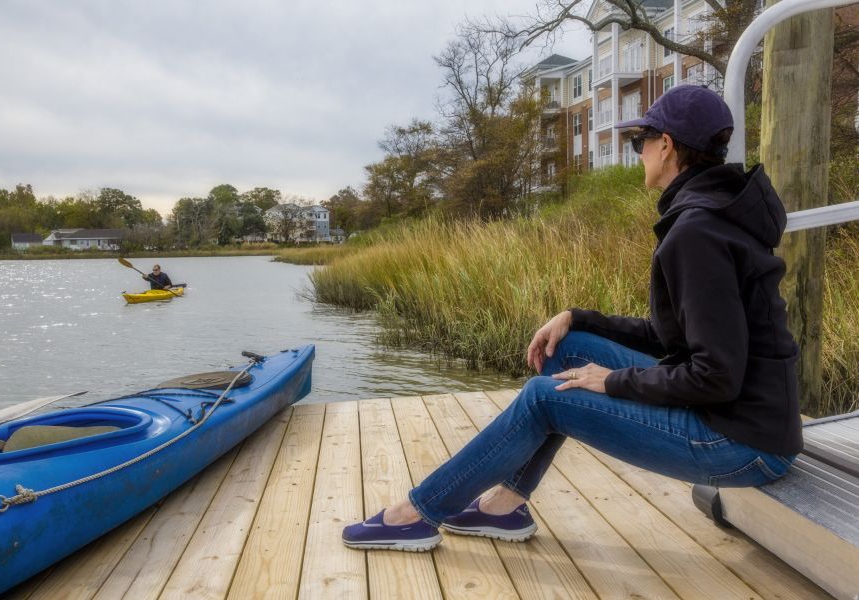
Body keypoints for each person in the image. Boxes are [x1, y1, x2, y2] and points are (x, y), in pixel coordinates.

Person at [342, 85, 802, 552]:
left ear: (666, 145)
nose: (637, 152)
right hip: (741, 418)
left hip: (743, 445)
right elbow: (671, 338)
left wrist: (613, 381)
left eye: (639, 141)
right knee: (568, 348)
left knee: (546, 398)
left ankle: (417, 513)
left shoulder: (696, 232)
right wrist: (575, 316)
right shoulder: (713, 213)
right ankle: (504, 507)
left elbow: (716, 377)